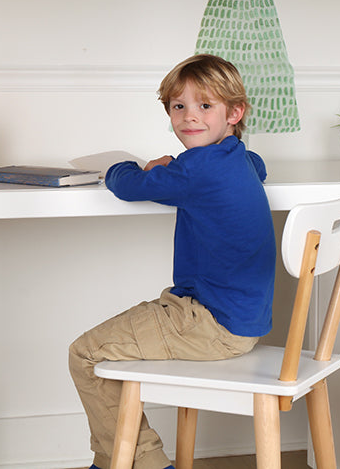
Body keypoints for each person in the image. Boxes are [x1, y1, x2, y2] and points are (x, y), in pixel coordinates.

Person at [68, 53, 277, 469]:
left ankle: (139, 462)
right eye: (178, 106)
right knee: (99, 348)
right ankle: (114, 460)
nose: (188, 117)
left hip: (210, 323)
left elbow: (129, 186)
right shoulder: (237, 157)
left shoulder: (197, 169)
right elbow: (260, 166)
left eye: (204, 106)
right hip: (241, 318)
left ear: (235, 112)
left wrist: (123, 165)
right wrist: (176, 167)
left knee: (85, 354)